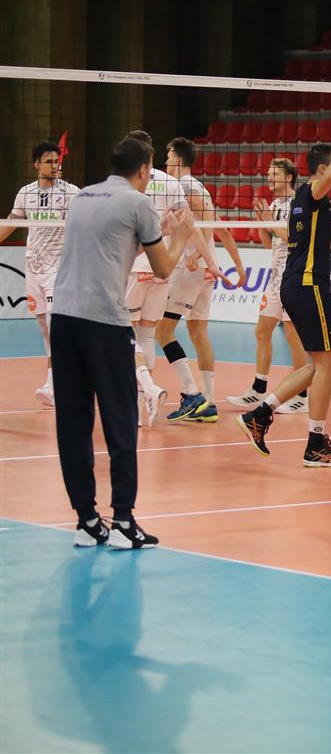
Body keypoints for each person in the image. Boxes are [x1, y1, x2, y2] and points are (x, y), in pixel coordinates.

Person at [51, 136, 196, 550]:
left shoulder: (83, 196)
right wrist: (180, 236)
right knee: (120, 418)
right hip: (104, 322)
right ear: (144, 169)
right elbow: (163, 268)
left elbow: (109, 245)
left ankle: (86, 521)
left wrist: (154, 230)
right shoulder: (139, 202)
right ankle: (123, 522)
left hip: (64, 318)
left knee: (73, 422)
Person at [235, 124, 331, 466]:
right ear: (322, 168)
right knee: (326, 364)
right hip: (308, 285)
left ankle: (263, 416)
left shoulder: (302, 200)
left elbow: (291, 237)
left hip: (295, 284)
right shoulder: (314, 192)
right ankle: (308, 440)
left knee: (318, 364)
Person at [123, 130, 219, 428]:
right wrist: (211, 261)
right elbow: (190, 226)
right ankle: (151, 405)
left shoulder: (124, 180)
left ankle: (145, 395)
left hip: (135, 264)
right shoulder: (170, 182)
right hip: (162, 268)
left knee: (126, 335)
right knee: (149, 334)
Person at [155, 137, 245, 424]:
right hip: (206, 271)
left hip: (190, 269)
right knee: (198, 332)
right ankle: (208, 402)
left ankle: (191, 393)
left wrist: (198, 255)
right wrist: (237, 265)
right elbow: (221, 229)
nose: (165, 161)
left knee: (162, 331)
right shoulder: (199, 187)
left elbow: (196, 226)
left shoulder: (182, 187)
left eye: (168, 155)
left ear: (178, 160)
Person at [227, 158, 311, 415]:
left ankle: (302, 396)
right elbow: (268, 243)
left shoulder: (298, 203)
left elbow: (293, 238)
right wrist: (262, 221)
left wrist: (269, 221)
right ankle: (258, 388)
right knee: (262, 331)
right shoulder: (274, 205)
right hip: (275, 280)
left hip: (294, 278)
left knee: (293, 336)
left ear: (289, 177)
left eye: (274, 173)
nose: (269, 177)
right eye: (268, 173)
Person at [0, 141, 80, 407]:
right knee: (45, 329)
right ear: (36, 164)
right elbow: (12, 223)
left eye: (57, 161)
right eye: (48, 161)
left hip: (58, 269)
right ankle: (59, 382)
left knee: (57, 328)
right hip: (33, 268)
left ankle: (53, 385)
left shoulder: (70, 192)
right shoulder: (26, 193)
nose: (54, 165)